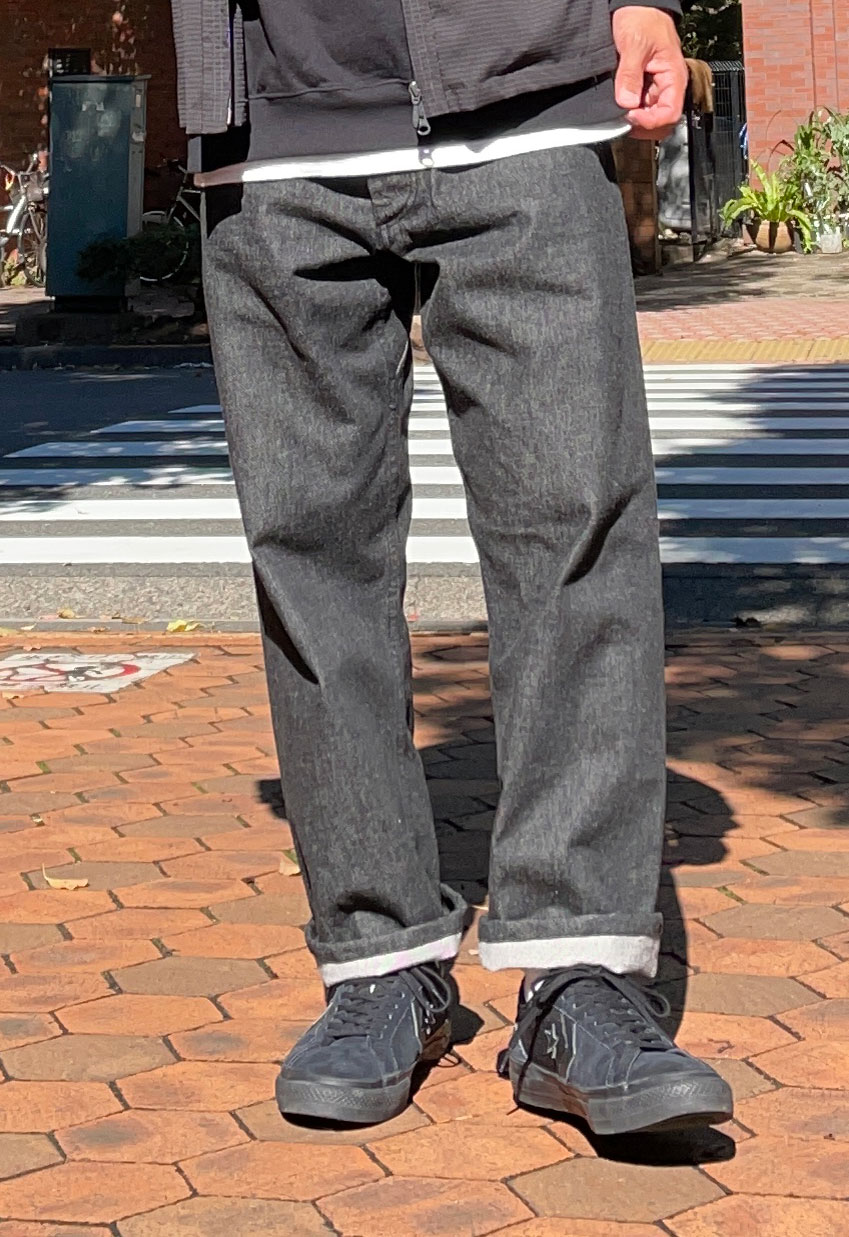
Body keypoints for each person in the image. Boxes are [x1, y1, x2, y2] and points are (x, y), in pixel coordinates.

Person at [171, 0, 734, 1136]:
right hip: (273, 116)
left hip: (527, 92)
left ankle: (580, 974)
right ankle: (378, 963)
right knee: (311, 555)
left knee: (576, 528)